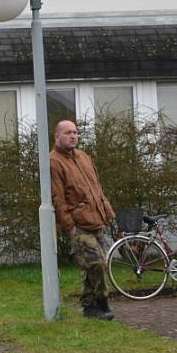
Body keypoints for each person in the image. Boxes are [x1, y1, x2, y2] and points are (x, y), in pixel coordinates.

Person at [50, 120, 116, 320]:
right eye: (68, 133)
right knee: (96, 263)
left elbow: (97, 188)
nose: (73, 136)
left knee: (95, 266)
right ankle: (97, 304)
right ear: (57, 136)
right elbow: (57, 198)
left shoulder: (84, 157)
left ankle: (94, 306)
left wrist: (107, 211)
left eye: (75, 132)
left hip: (96, 219)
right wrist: (69, 227)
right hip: (78, 225)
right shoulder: (53, 161)